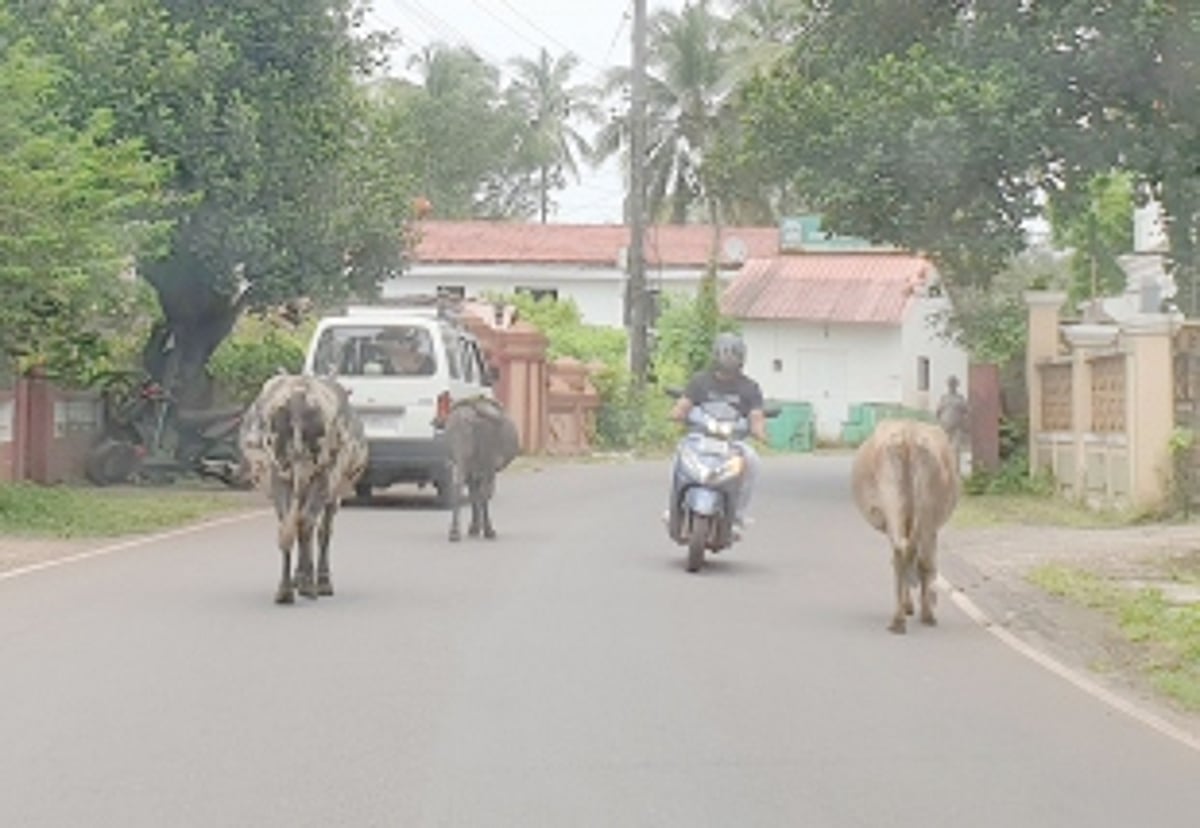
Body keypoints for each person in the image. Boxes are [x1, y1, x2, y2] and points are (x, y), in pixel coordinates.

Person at [669, 331, 768, 531]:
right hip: (700, 437)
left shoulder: (750, 387)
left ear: (741, 358)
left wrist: (759, 432)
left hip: (733, 441)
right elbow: (684, 403)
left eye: (734, 355)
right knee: (679, 455)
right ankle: (674, 508)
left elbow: (756, 415)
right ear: (716, 355)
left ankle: (737, 516)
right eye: (725, 354)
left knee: (752, 462)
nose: (729, 359)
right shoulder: (700, 381)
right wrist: (676, 414)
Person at [936, 374, 970, 469]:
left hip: (957, 428)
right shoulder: (944, 398)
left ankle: (955, 470)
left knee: (955, 450)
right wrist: (941, 423)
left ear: (956, 385)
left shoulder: (960, 398)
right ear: (948, 385)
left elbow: (966, 411)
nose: (951, 386)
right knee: (943, 448)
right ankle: (944, 469)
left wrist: (965, 425)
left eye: (953, 384)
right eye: (950, 384)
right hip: (945, 428)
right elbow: (938, 412)